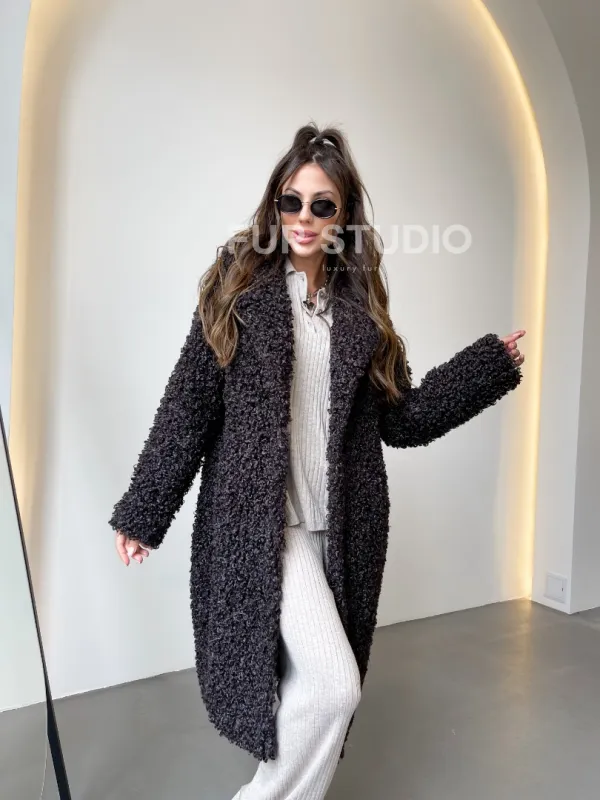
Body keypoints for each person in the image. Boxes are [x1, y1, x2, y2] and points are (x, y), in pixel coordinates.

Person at [109, 123, 525, 800]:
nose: (304, 217)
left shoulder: (361, 313)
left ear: (344, 217)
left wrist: (485, 369)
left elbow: (402, 421)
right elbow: (188, 404)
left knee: (320, 694)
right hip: (267, 527)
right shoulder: (236, 293)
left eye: (322, 205)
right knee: (334, 687)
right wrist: (144, 511)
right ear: (275, 205)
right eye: (291, 201)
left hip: (345, 526)